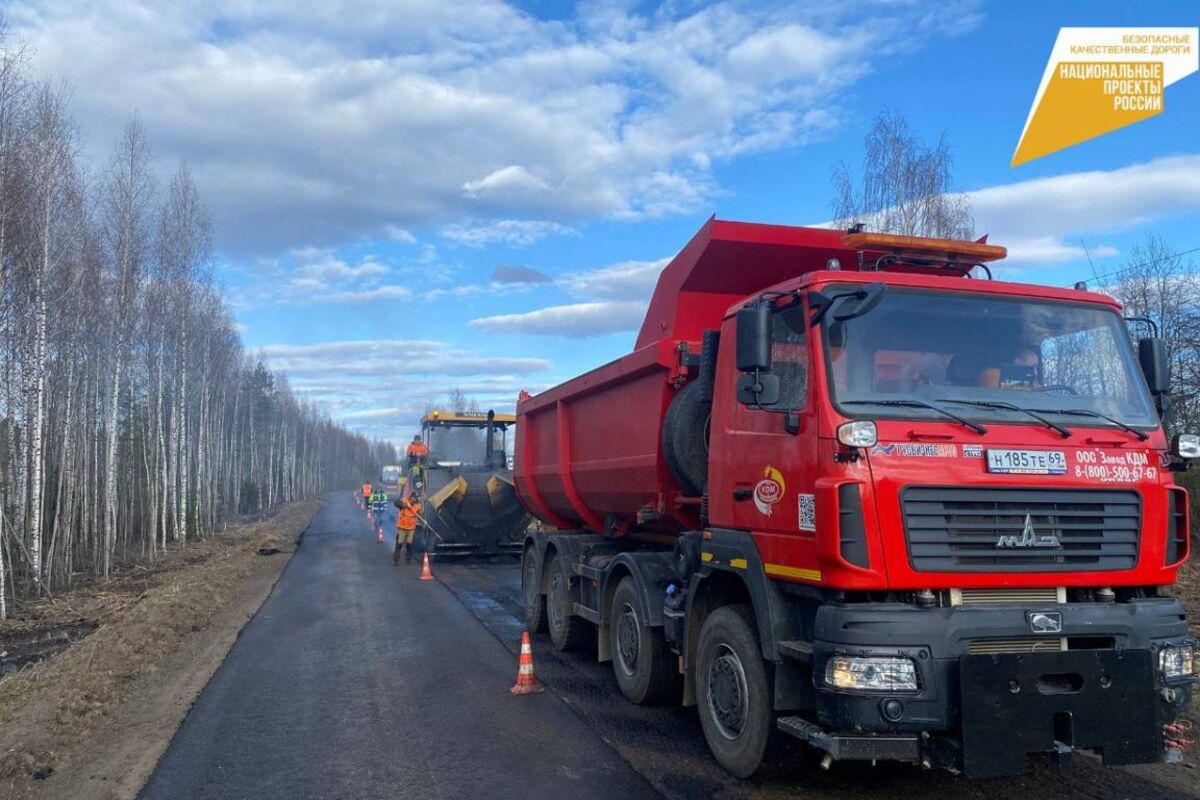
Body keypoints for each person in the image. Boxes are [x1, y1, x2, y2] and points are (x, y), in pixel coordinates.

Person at [394, 492, 423, 566]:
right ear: (411, 497)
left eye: (416, 499)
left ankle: (408, 558)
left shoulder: (418, 505)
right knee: (399, 543)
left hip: (411, 528)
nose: (415, 500)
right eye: (414, 498)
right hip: (402, 527)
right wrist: (404, 505)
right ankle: (396, 560)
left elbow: (420, 514)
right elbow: (396, 503)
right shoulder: (404, 500)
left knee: (409, 544)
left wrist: (421, 519)